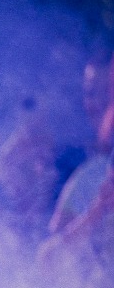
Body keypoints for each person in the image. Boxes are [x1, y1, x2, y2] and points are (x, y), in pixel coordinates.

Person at [48, 55, 112, 236]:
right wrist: (99, 208)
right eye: (91, 92)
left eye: (108, 91)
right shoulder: (90, 174)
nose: (98, 102)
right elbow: (51, 257)